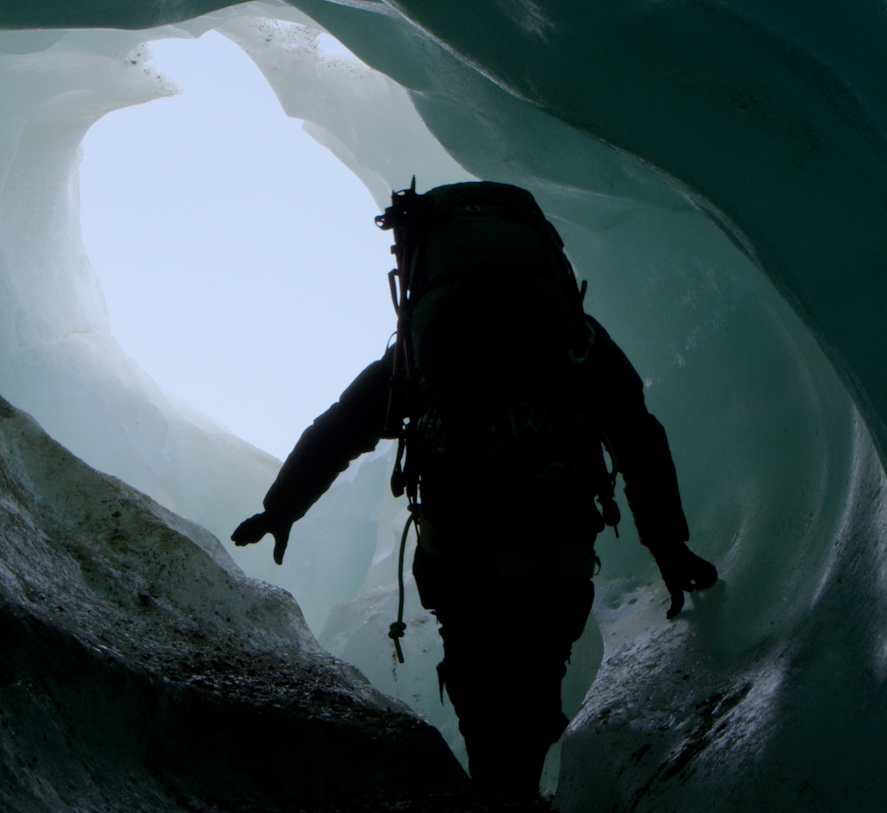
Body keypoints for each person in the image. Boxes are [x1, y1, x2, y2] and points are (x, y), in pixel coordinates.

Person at [231, 181, 717, 798]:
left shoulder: (417, 354)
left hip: (453, 539)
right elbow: (635, 432)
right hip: (550, 531)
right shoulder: (575, 340)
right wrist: (669, 546)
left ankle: (494, 785)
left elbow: (342, 424)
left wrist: (282, 507)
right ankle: (509, 791)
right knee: (531, 682)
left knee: (474, 676)